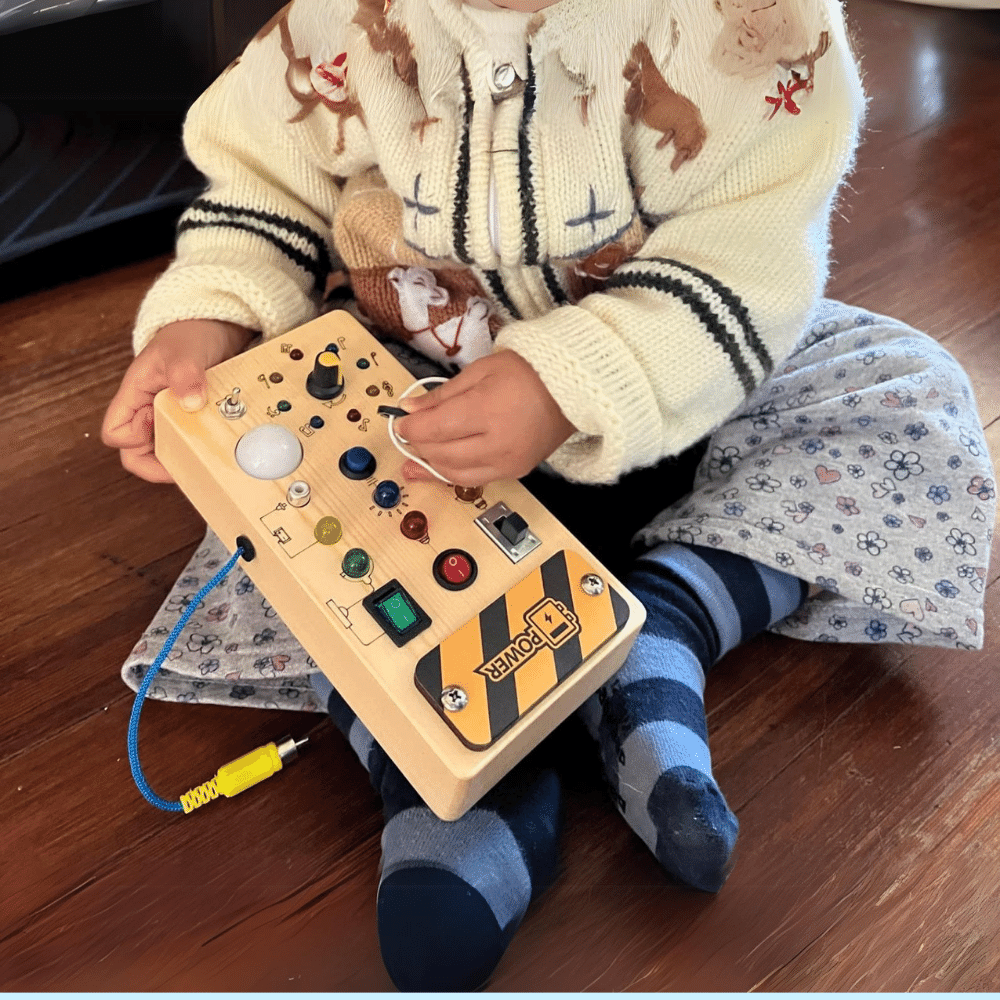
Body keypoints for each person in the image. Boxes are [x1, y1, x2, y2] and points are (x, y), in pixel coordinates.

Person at [101, 0, 995, 989]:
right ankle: (457, 775)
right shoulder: (343, 18)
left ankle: (661, 627)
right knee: (274, 529)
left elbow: (751, 249)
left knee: (907, 392)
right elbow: (266, 187)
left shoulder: (753, 26)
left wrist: (572, 380)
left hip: (676, 382)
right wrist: (214, 313)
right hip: (418, 434)